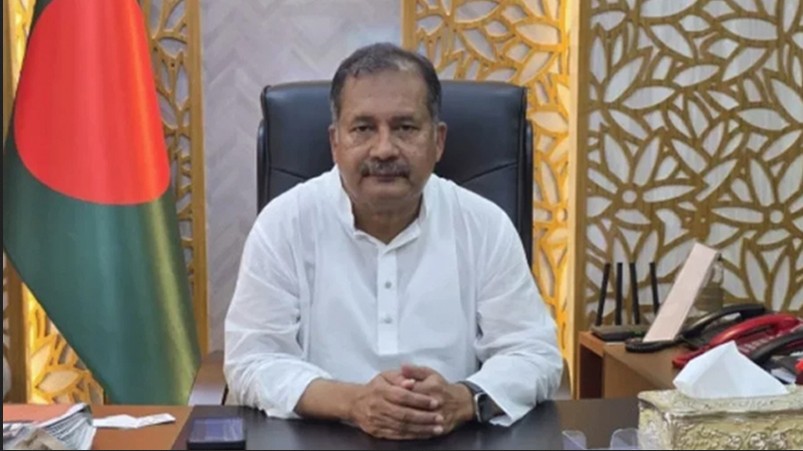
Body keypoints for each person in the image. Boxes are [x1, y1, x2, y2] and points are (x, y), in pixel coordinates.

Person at [224, 42, 562, 440]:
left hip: (452, 437)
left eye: (405, 128)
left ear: (438, 140)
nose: (384, 149)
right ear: (335, 143)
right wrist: (354, 402)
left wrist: (463, 399)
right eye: (363, 128)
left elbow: (534, 354)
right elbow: (251, 360)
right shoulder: (284, 224)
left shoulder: (484, 225)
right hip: (320, 438)